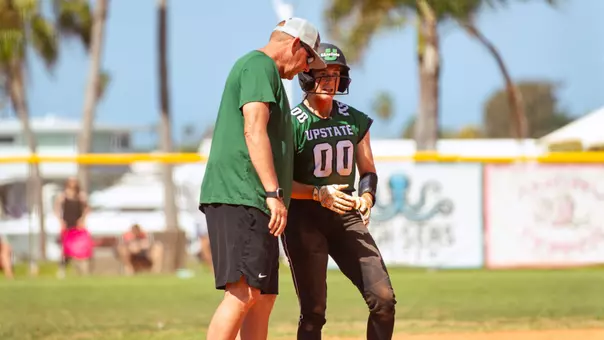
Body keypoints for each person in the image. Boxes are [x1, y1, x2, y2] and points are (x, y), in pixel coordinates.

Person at [198, 17, 326, 340]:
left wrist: (306, 193)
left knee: (263, 296)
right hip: (243, 195)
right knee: (243, 293)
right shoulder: (260, 66)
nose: (305, 69)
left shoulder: (267, 74)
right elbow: (253, 129)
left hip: (257, 200)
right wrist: (272, 192)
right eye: (308, 59)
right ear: (295, 45)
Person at [282, 43, 397, 339]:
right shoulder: (291, 123)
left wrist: (367, 197)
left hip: (345, 216)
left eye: (336, 74)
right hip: (304, 219)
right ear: (307, 75)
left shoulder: (354, 119)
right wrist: (318, 192)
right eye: (323, 73)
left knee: (383, 299)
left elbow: (368, 170)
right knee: (314, 313)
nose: (330, 81)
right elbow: (281, 183)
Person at [53, 177, 89, 278]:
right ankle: (62, 269)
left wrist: (82, 220)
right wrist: (60, 221)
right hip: (67, 224)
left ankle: (82, 271)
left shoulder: (80, 196)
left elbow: (87, 208)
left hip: (77, 225)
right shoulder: (63, 196)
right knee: (65, 249)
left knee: (80, 248)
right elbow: (56, 208)